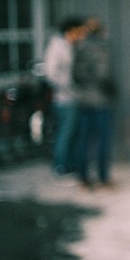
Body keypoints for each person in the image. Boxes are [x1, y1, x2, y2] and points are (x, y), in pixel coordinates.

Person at [73, 17, 116, 187]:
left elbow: (75, 74)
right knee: (102, 141)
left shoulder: (80, 48)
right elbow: (103, 75)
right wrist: (113, 90)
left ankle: (82, 176)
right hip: (101, 100)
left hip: (83, 100)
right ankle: (103, 177)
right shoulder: (101, 49)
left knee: (83, 140)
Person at [44, 16, 87, 175]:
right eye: (79, 32)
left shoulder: (72, 45)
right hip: (64, 98)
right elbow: (51, 73)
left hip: (75, 96)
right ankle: (61, 165)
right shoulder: (57, 46)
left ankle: (70, 164)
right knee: (66, 133)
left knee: (73, 133)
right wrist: (66, 87)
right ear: (71, 30)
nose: (81, 35)